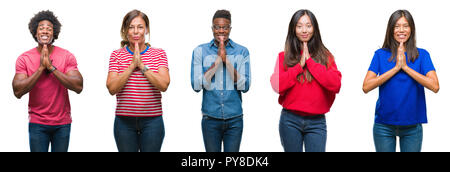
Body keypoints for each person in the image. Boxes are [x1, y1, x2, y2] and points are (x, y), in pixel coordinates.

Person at [362, 10, 439, 152]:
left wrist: (406, 68)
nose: (401, 30)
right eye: (397, 26)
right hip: (384, 125)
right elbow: (366, 86)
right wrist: (396, 68)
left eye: (406, 26)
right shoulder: (380, 55)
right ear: (391, 30)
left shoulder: (422, 54)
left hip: (412, 126)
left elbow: (434, 86)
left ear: (411, 29)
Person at [270, 9, 341, 152]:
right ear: (293, 29)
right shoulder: (284, 56)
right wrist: (298, 67)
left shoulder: (326, 56)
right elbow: (277, 85)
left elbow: (336, 84)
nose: (304, 30)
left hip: (317, 122)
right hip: (290, 120)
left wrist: (310, 62)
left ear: (314, 29)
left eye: (308, 25)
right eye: (299, 26)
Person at [12, 10, 84, 152]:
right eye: (41, 28)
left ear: (54, 33)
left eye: (49, 28)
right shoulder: (24, 58)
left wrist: (51, 68)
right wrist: (40, 69)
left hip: (62, 123)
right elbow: (17, 91)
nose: (45, 31)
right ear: (35, 32)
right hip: (37, 123)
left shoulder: (66, 55)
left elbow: (78, 86)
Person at [106, 9, 170, 152]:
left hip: (153, 121)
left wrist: (141, 66)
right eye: (131, 27)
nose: (136, 31)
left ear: (146, 30)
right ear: (125, 30)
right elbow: (111, 88)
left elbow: (164, 85)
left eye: (140, 27)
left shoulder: (159, 54)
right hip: (124, 123)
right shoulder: (116, 55)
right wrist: (131, 66)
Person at [191, 9, 251, 152]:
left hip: (235, 119)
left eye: (225, 27)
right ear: (212, 28)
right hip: (210, 119)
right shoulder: (200, 51)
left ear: (230, 28)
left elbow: (246, 86)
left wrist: (227, 62)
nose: (221, 31)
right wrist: (217, 62)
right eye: (217, 27)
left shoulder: (242, 52)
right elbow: (196, 85)